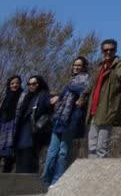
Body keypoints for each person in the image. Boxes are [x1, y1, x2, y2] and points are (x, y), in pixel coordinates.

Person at [42, 57, 89, 187]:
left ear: (84, 67)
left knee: (63, 152)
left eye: (79, 65)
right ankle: (45, 180)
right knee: (51, 152)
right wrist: (57, 97)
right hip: (59, 120)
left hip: (71, 121)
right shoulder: (71, 82)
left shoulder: (85, 80)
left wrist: (69, 88)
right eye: (75, 65)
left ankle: (57, 181)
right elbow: (64, 96)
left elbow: (83, 92)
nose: (76, 67)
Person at [85, 38, 121, 158]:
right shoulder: (100, 67)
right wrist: (82, 98)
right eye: (105, 50)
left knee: (101, 148)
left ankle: (100, 170)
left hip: (107, 110)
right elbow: (91, 86)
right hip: (94, 111)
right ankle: (91, 169)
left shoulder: (119, 64)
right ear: (102, 51)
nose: (108, 52)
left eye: (111, 49)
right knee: (91, 147)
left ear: (115, 50)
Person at [13, 75, 52, 174]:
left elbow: (48, 108)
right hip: (22, 132)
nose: (31, 86)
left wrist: (55, 98)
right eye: (29, 84)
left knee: (29, 159)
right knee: (20, 158)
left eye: (34, 84)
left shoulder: (43, 95)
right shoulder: (27, 97)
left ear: (39, 84)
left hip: (33, 132)